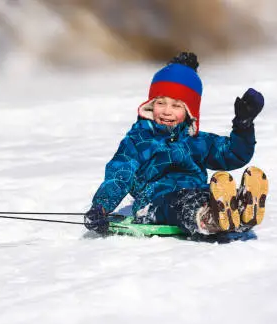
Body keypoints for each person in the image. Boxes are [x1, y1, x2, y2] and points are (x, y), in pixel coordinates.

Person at [84, 52, 268, 236]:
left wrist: (243, 126)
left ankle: (241, 208)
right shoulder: (138, 140)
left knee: (209, 195)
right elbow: (119, 174)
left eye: (176, 106)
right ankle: (209, 218)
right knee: (183, 204)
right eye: (160, 103)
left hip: (197, 192)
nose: (166, 111)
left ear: (190, 111)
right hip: (154, 203)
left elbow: (231, 154)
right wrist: (101, 207)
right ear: (150, 105)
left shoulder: (196, 139)